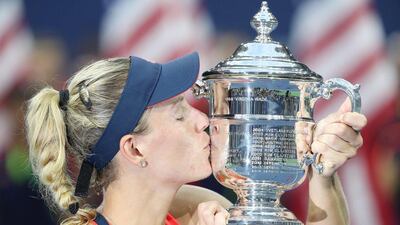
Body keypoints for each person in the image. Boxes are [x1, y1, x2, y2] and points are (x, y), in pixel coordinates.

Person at [25, 52, 367, 225]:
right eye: (178, 113)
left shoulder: (193, 205)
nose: (203, 119)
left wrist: (323, 173)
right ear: (134, 147)